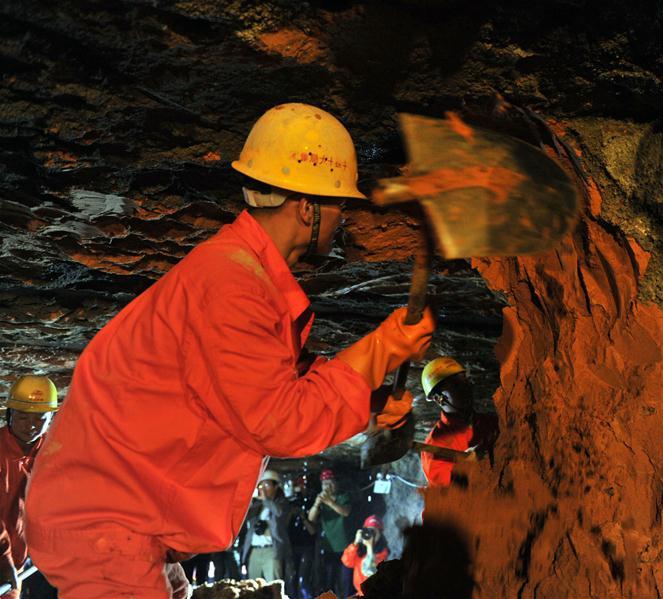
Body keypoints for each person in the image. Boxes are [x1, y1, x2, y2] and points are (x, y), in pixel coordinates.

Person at [24, 103, 434, 599]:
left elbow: (266, 387)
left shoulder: (242, 276)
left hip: (124, 523)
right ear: (307, 208)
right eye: (337, 206)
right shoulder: (231, 285)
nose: (341, 219)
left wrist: (367, 401)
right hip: (105, 524)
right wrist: (383, 350)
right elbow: (277, 420)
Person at [0, 376, 57, 599]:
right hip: (5, 559)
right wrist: (5, 560)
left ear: (51, 418)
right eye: (23, 417)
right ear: (10, 414)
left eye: (40, 418)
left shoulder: (54, 453)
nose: (31, 425)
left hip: (17, 559)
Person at [419, 357, 499, 487]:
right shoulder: (435, 446)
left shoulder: (489, 421)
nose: (466, 388)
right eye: (456, 386)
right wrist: (468, 464)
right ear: (438, 399)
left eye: (465, 381)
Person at [240, 470, 291, 582]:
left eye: (267, 485)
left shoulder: (282, 503)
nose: (263, 489)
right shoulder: (257, 505)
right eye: (260, 485)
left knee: (273, 585)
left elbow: (279, 513)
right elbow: (245, 517)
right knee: (253, 586)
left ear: (276, 486)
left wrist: (266, 500)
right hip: (254, 550)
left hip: (271, 550)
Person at [308, 469, 350, 597]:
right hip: (328, 546)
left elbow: (345, 512)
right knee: (328, 579)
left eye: (330, 483)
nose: (327, 487)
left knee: (344, 580)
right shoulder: (321, 499)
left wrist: (329, 502)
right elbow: (311, 518)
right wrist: (316, 504)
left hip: (344, 546)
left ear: (335, 483)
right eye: (324, 484)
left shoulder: (343, 496)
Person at [341, 515, 389, 597]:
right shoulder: (359, 548)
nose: (371, 535)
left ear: (380, 534)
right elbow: (347, 562)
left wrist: (370, 547)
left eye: (374, 532)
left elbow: (370, 571)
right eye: (369, 531)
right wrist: (355, 543)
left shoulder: (382, 552)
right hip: (358, 591)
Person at [287, 473, 317, 599]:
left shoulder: (311, 503)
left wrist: (303, 517)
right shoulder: (290, 503)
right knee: (291, 578)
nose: (301, 489)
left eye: (303, 486)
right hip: (292, 546)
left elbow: (313, 530)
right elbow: (283, 526)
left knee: (303, 579)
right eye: (298, 486)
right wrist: (291, 513)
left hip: (307, 546)